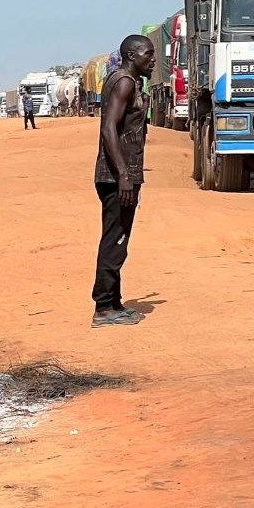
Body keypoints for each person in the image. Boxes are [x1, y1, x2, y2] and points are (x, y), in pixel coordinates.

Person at [91, 34, 155, 328]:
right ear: (131, 55)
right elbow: (109, 129)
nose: (153, 59)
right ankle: (104, 307)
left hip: (122, 174)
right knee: (114, 240)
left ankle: (115, 302)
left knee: (120, 239)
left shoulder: (130, 81)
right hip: (117, 176)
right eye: (148, 54)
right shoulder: (125, 82)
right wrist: (124, 177)